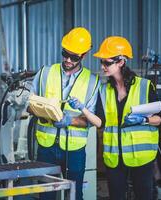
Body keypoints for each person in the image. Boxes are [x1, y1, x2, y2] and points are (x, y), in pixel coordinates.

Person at [31, 27, 101, 200]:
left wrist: (69, 120)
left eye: (74, 57)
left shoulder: (93, 81)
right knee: (46, 195)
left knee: (75, 195)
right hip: (46, 146)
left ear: (83, 55)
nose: (68, 59)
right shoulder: (45, 73)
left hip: (74, 149)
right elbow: (29, 104)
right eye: (65, 54)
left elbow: (91, 120)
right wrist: (43, 112)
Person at [93, 36, 161, 200]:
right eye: (102, 62)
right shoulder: (104, 90)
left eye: (107, 63)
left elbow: (159, 119)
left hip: (141, 156)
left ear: (121, 62)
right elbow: (100, 121)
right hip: (114, 157)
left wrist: (143, 120)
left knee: (144, 196)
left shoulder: (144, 86)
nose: (103, 67)